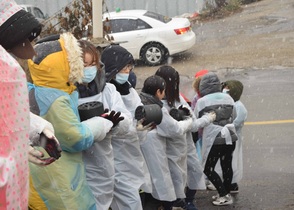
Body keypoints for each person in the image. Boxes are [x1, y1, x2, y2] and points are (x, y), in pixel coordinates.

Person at [27, 33, 114, 209]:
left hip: (40, 179)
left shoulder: (37, 88)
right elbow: (73, 138)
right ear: (64, 64)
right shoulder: (56, 98)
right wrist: (101, 123)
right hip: (59, 179)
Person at [0, 0, 61, 208]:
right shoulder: (6, 70)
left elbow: (10, 115)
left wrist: (39, 131)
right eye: (26, 39)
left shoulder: (8, 68)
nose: (31, 49)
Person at [76, 40, 130, 209]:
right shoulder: (65, 94)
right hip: (76, 165)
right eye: (84, 64)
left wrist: (111, 123)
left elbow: (126, 122)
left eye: (93, 64)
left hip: (103, 162)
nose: (89, 69)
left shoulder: (107, 90)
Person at [155, 65, 215, 210]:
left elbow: (191, 123)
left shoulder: (177, 99)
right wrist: (207, 118)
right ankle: (175, 202)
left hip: (184, 144)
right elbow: (182, 127)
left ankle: (187, 200)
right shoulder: (158, 104)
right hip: (168, 148)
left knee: (193, 170)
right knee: (174, 177)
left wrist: (188, 120)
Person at [101, 44, 151, 210]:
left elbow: (136, 122)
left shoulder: (129, 90)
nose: (128, 70)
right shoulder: (106, 92)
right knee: (130, 202)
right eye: (125, 67)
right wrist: (133, 127)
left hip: (132, 155)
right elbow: (114, 126)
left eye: (130, 66)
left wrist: (142, 125)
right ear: (112, 69)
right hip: (115, 158)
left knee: (134, 197)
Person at [195, 72, 238, 206]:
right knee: (227, 165)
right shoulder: (229, 98)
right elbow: (234, 115)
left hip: (214, 139)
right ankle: (225, 192)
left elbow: (197, 119)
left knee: (208, 168)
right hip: (230, 136)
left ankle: (223, 194)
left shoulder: (203, 101)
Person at [221, 80, 247, 193]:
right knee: (228, 161)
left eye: (227, 88)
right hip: (228, 139)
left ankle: (232, 183)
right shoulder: (231, 103)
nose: (225, 90)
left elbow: (234, 123)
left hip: (233, 139)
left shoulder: (240, 107)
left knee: (233, 161)